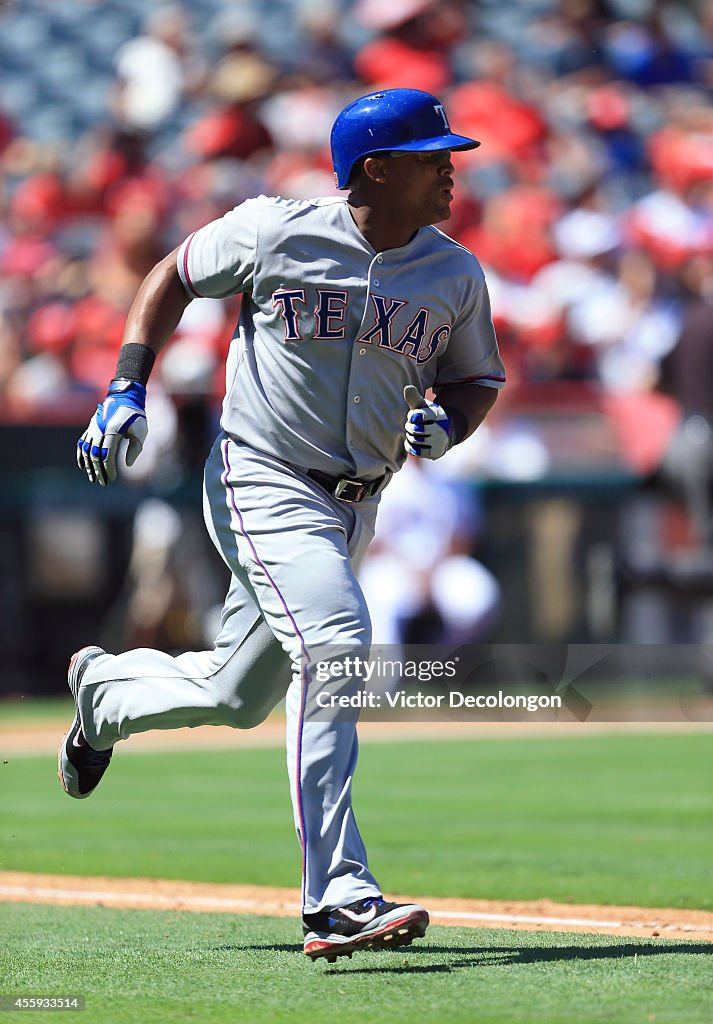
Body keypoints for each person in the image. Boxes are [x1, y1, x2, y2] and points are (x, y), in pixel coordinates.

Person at [58, 88, 505, 962]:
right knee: (336, 642)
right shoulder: (276, 228)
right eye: (432, 155)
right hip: (260, 476)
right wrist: (125, 386)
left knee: (239, 694)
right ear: (375, 167)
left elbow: (475, 378)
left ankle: (102, 697)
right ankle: (336, 896)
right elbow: (172, 277)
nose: (451, 169)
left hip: (357, 502)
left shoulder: (453, 272)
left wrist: (451, 423)